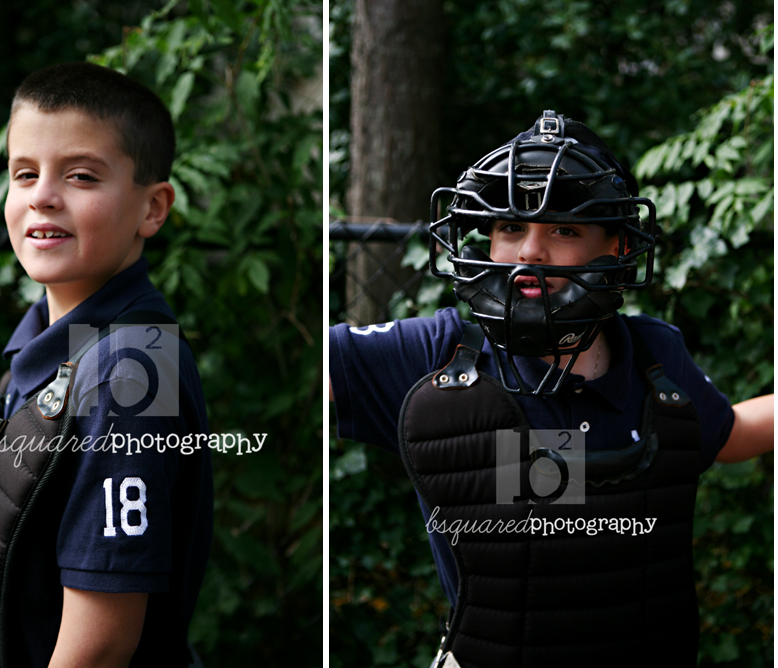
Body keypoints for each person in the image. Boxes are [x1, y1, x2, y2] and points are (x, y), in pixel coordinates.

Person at [329, 111, 773, 667]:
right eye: (511, 228)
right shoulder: (439, 354)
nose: (529, 253)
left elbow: (731, 432)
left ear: (616, 245)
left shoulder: (655, 358)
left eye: (564, 229)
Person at [0, 62, 212, 668]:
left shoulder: (131, 372)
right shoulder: (50, 343)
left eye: (82, 176)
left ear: (153, 208)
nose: (42, 195)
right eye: (25, 173)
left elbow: (101, 646)